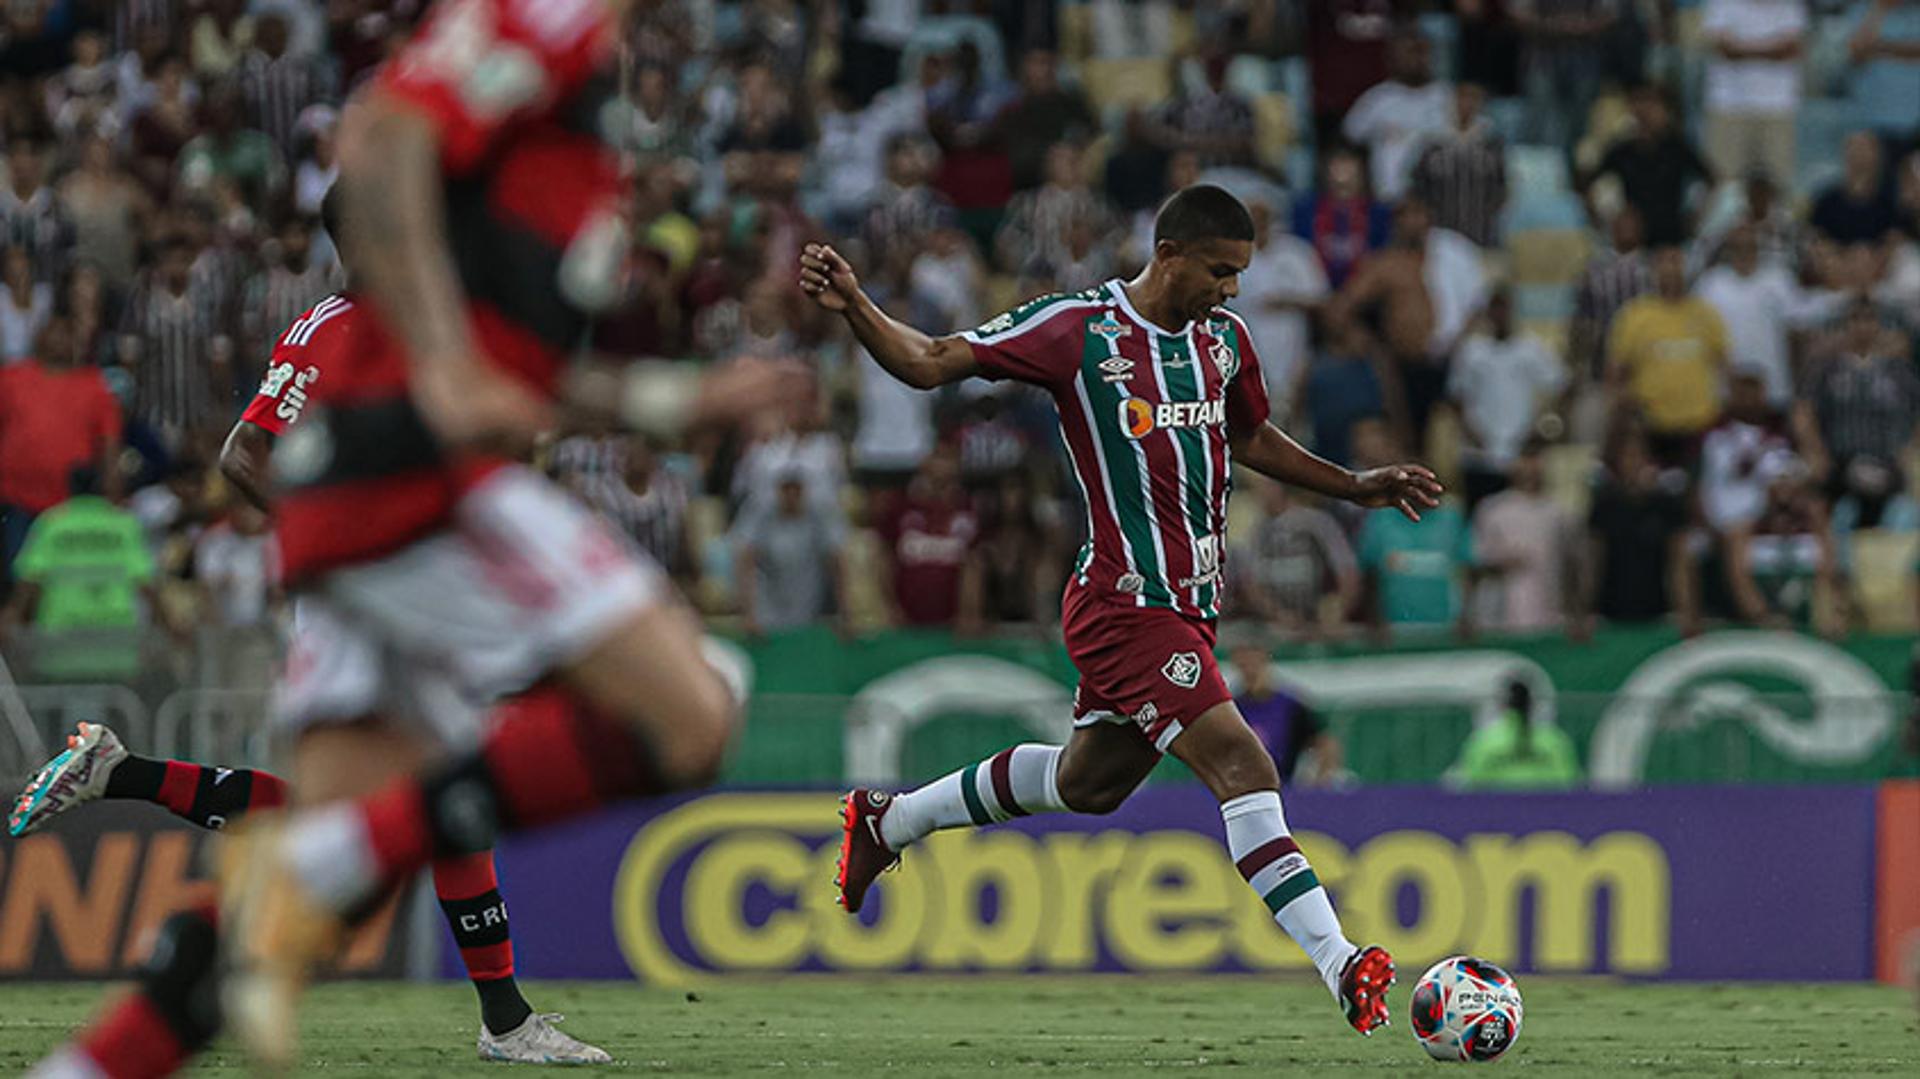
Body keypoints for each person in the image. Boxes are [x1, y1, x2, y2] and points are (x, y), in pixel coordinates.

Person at [141, 3, 788, 1071]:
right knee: (691, 702)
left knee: (355, 842)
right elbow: (382, 138)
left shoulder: (515, 182)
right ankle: (442, 973)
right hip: (407, 506)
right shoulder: (542, 34)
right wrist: (440, 368)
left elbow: (526, 383)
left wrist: (678, 400)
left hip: (392, 517)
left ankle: (288, 949)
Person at [803, 183, 1445, 1035]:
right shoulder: (1079, 329)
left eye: (1241, 274)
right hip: (1125, 604)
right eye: (1219, 270)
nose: (1232, 289)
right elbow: (930, 360)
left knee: (1088, 783)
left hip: (1190, 607)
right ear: (1168, 252)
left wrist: (1354, 484)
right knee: (1245, 769)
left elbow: (1248, 437)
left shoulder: (1225, 342)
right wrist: (857, 307)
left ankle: (890, 820)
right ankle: (1340, 961)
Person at [18, 191, 614, 1070]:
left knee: (393, 805)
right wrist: (338, 540)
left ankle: (123, 772)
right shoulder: (327, 327)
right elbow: (242, 456)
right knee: (432, 795)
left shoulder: (422, 321)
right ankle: (503, 1019)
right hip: (359, 593)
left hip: (411, 588)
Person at [1606, 245, 1730, 466]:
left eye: (1676, 262)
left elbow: (1724, 366)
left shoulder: (1706, 314)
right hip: (1652, 428)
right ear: (1654, 270)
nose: (1671, 270)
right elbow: (1617, 373)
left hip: (1699, 426)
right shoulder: (1635, 315)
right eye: (1664, 263)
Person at [1229, 642, 1345, 787]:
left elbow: (1326, 744)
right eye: (1243, 664)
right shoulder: (1233, 707)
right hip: (1245, 789)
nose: (1249, 670)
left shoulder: (1290, 706)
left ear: (1265, 661)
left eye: (1253, 662)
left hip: (1283, 787)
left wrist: (1318, 783)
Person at [1450, 681, 1582, 790]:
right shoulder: (1554, 740)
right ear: (1532, 704)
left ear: (1502, 705)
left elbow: (1469, 783)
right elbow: (1570, 782)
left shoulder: (1484, 740)